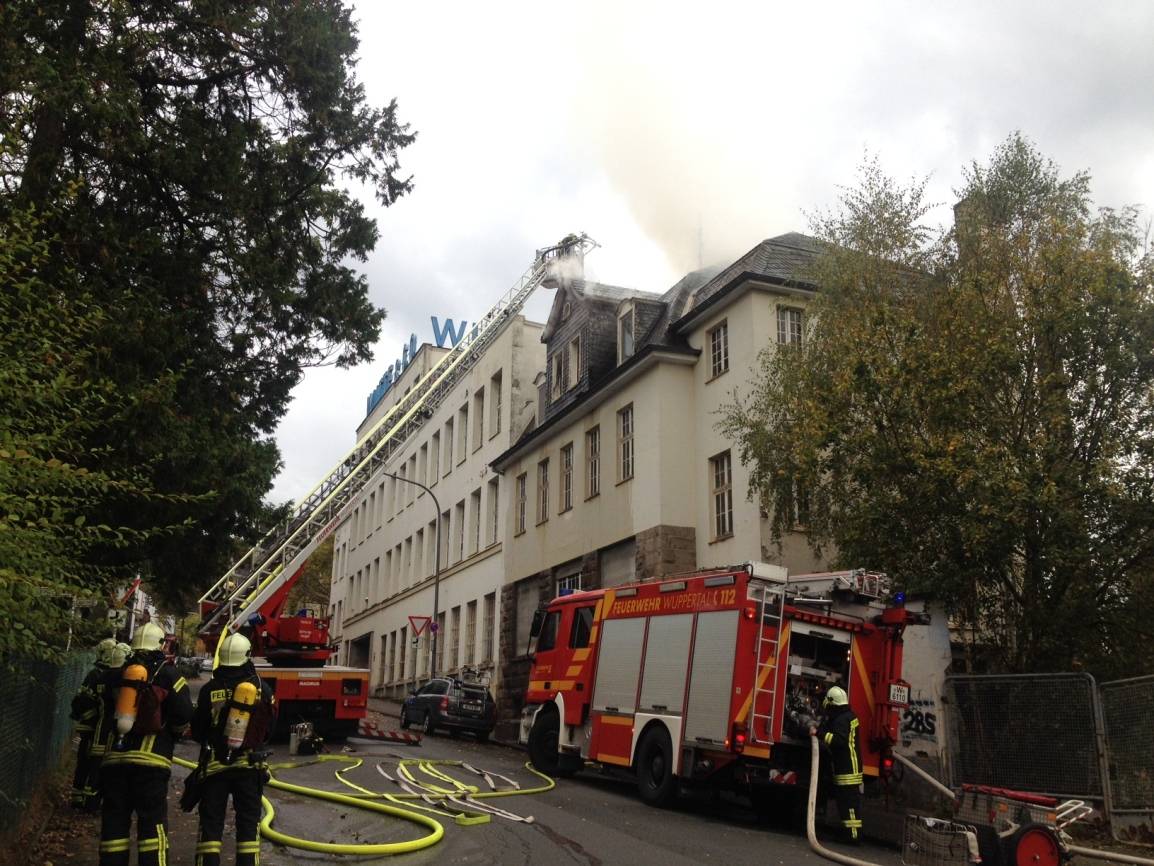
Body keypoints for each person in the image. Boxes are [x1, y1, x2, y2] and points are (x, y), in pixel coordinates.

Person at [97, 622, 193, 866]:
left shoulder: (116, 674)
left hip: (114, 759)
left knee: (114, 825)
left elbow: (106, 709)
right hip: (152, 762)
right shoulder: (169, 673)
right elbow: (183, 713)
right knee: (152, 825)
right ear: (161, 644)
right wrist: (174, 731)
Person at [190, 633, 276, 866]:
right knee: (248, 827)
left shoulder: (210, 689)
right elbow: (269, 730)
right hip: (249, 769)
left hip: (215, 768)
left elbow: (197, 730)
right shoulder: (262, 689)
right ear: (247, 656)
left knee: (211, 826)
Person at [70, 638, 126, 810]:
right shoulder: (103, 676)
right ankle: (87, 800)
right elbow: (87, 702)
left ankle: (83, 799)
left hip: (96, 729)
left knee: (89, 764)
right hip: (97, 729)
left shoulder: (100, 675)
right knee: (93, 765)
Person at [814, 685, 863, 844]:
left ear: (833, 703)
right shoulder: (847, 716)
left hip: (848, 769)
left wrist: (820, 734)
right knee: (845, 803)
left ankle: (853, 836)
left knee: (849, 805)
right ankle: (848, 834)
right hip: (849, 766)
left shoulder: (841, 720)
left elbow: (839, 741)